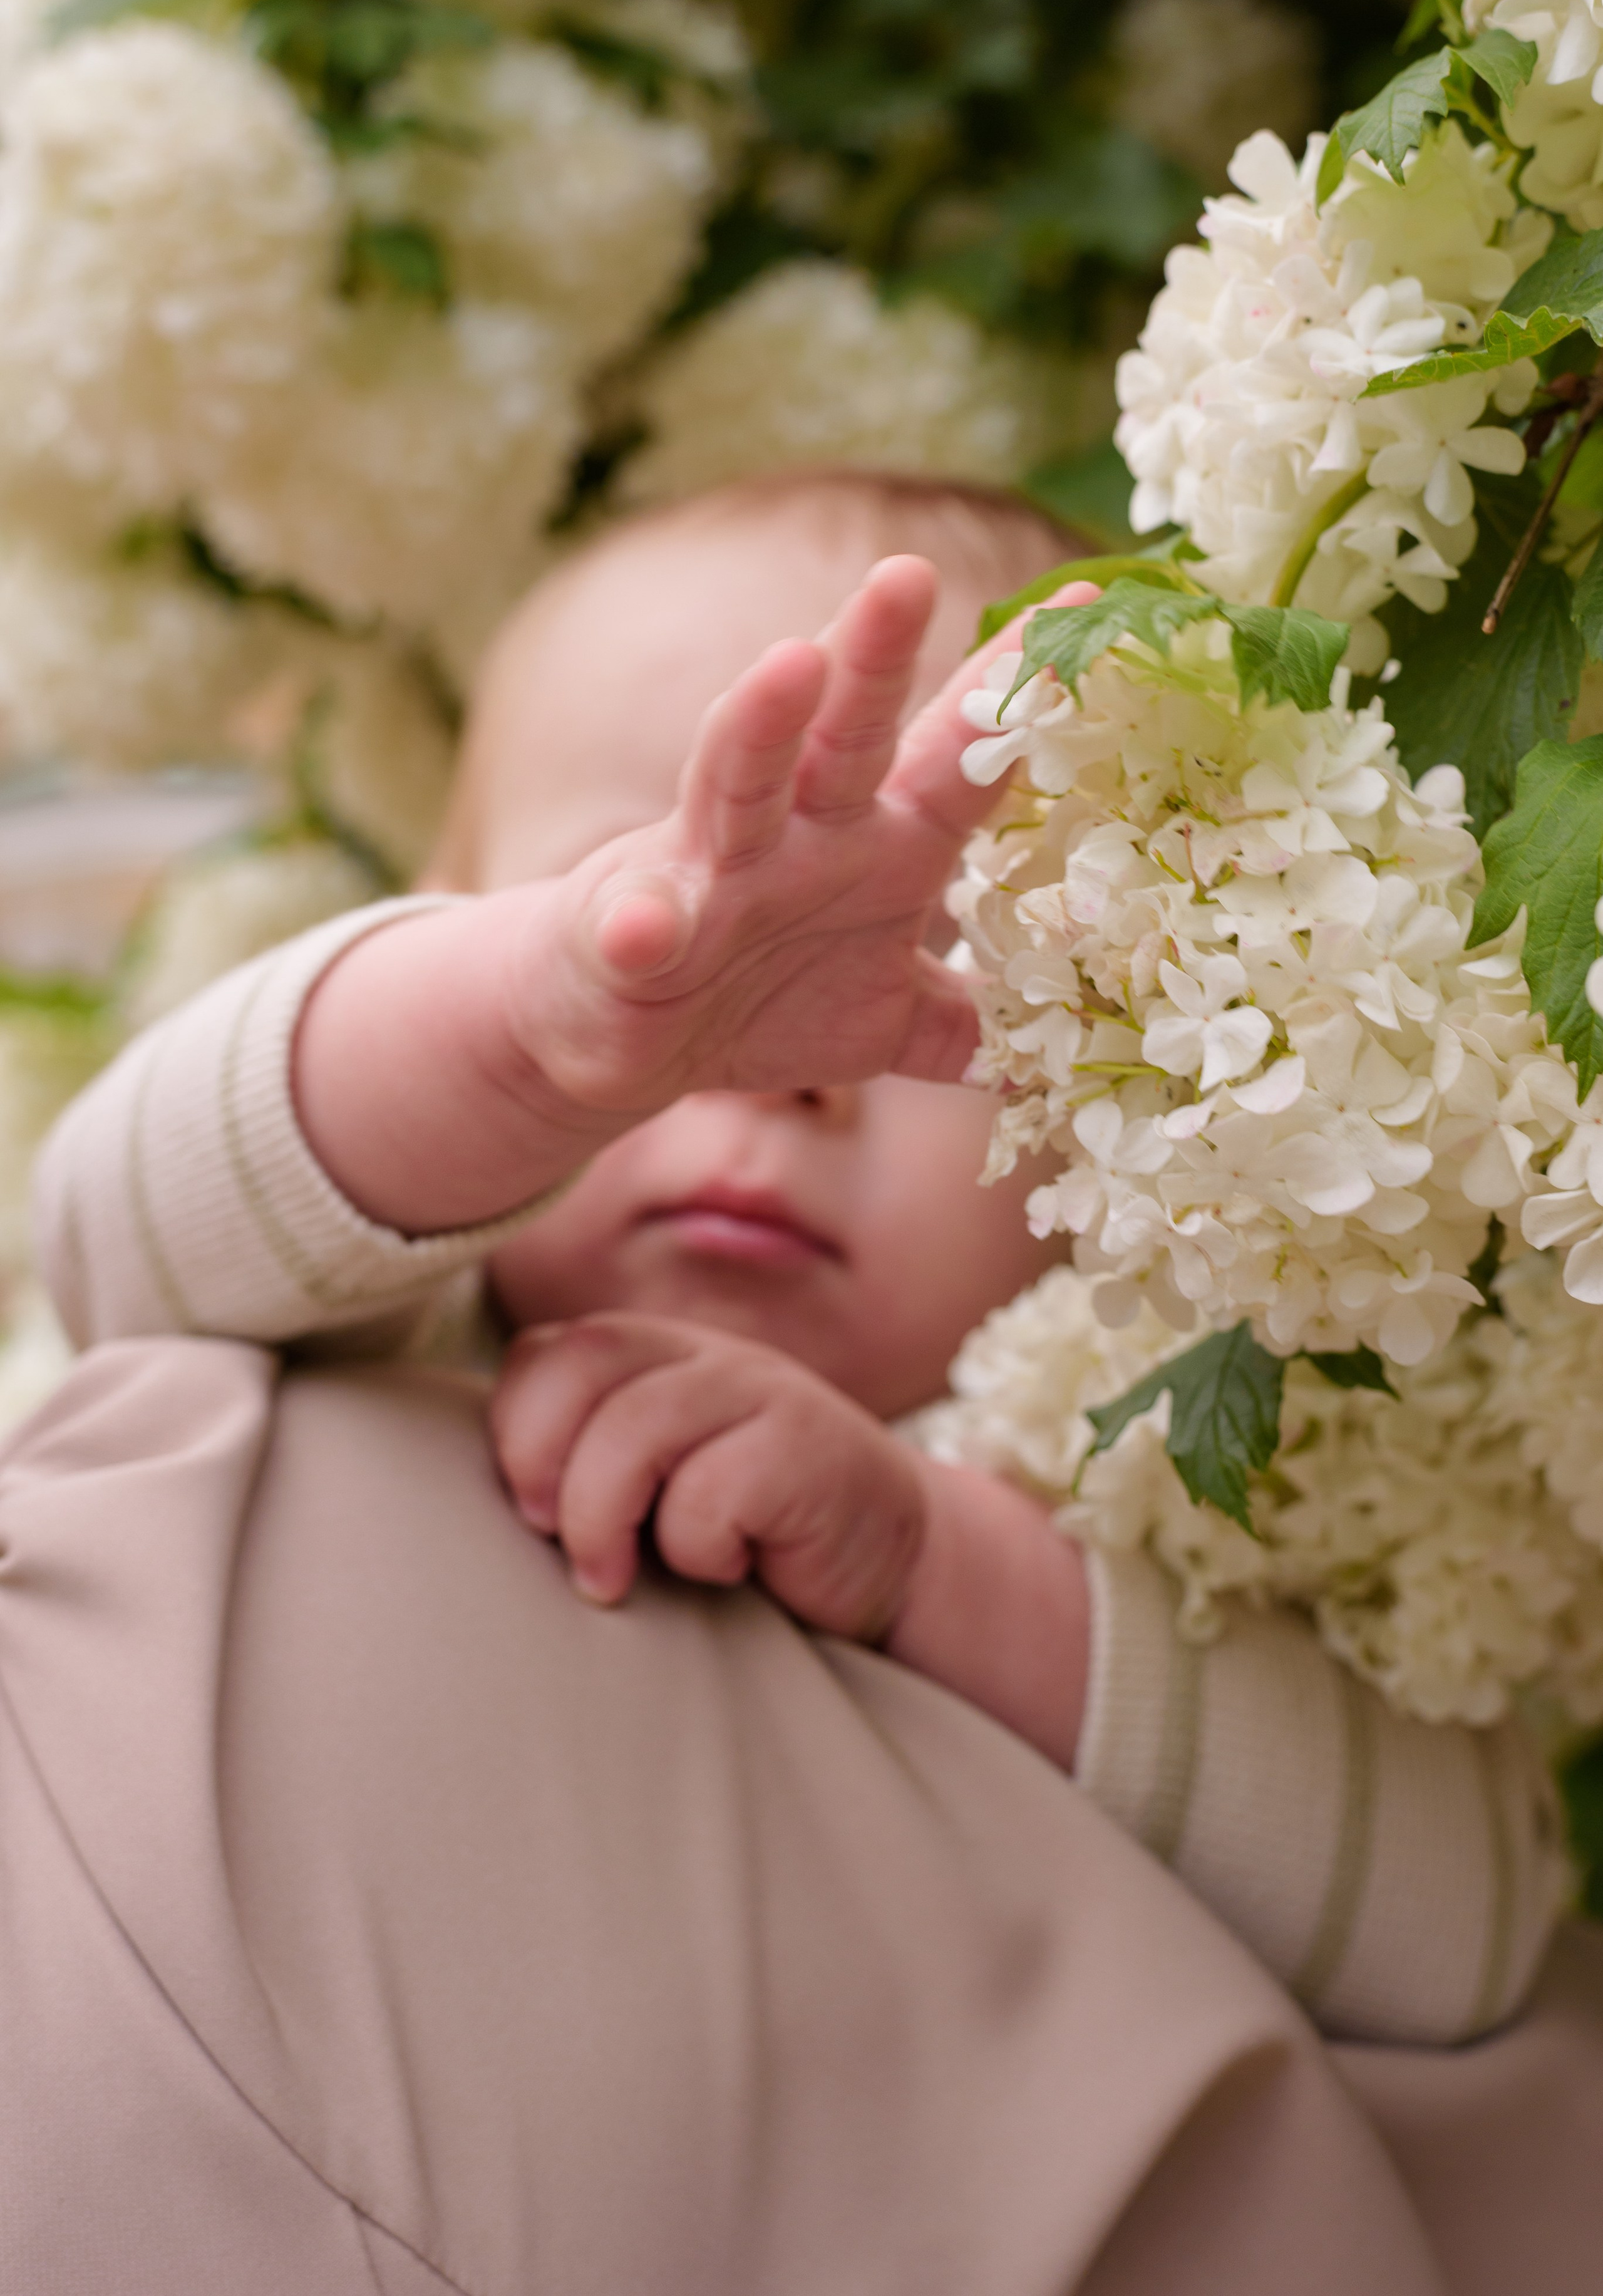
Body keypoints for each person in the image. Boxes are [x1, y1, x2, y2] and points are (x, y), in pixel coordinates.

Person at [8, 470, 1598, 2294]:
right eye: (646, 885)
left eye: (955, 949)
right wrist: (533, 1035)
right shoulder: (391, 1299)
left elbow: (1465, 1929)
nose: (786, 1058)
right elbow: (121, 1246)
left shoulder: (1130, 1467)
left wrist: (937, 1559)